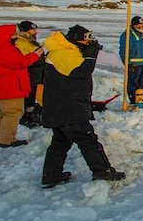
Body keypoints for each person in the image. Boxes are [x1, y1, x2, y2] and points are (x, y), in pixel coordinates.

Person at [42, 25, 126, 188]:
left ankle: (51, 176)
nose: (89, 42)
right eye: (86, 38)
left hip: (61, 104)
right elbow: (81, 71)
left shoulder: (64, 51)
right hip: (68, 107)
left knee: (60, 142)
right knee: (87, 139)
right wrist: (91, 56)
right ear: (75, 38)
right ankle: (102, 170)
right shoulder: (64, 53)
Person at [0, 24, 43, 148]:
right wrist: (35, 55)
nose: (15, 36)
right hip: (10, 86)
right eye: (13, 34)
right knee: (13, 113)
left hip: (3, 85)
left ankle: (1, 139)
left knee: (4, 114)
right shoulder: (4, 48)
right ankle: (7, 140)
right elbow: (18, 62)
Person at [119, 15, 143, 106]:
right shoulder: (127, 35)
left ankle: (141, 98)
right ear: (134, 25)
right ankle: (133, 99)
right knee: (132, 82)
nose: (142, 26)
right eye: (140, 25)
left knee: (141, 82)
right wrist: (127, 64)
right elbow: (123, 50)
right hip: (134, 64)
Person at [14, 20, 44, 128]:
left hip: (35, 76)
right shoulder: (21, 43)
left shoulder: (31, 42)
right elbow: (22, 60)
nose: (35, 32)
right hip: (27, 75)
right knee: (25, 98)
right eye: (33, 30)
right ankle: (22, 117)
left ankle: (30, 115)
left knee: (31, 97)